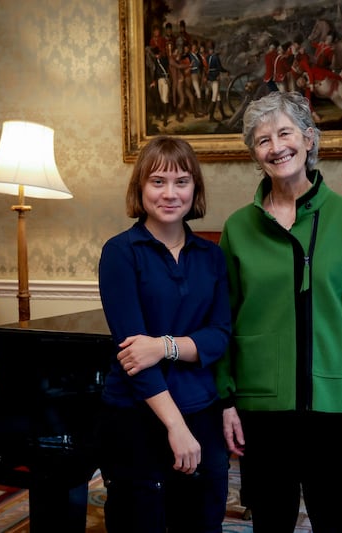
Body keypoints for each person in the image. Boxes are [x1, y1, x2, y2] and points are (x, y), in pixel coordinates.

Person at [216, 91, 342, 532]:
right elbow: (223, 319)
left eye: (284, 133)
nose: (275, 147)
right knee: (270, 519)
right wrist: (226, 399)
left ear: (309, 139)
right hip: (261, 405)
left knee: (334, 517)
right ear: (254, 155)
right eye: (262, 140)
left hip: (334, 404)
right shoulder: (239, 227)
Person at [96, 136, 232, 533]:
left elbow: (220, 335)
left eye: (181, 182)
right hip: (136, 414)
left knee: (204, 522)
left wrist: (163, 346)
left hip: (201, 409)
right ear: (140, 187)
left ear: (195, 189)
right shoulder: (121, 253)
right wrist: (175, 427)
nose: (170, 194)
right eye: (158, 182)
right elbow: (135, 357)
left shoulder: (212, 255)